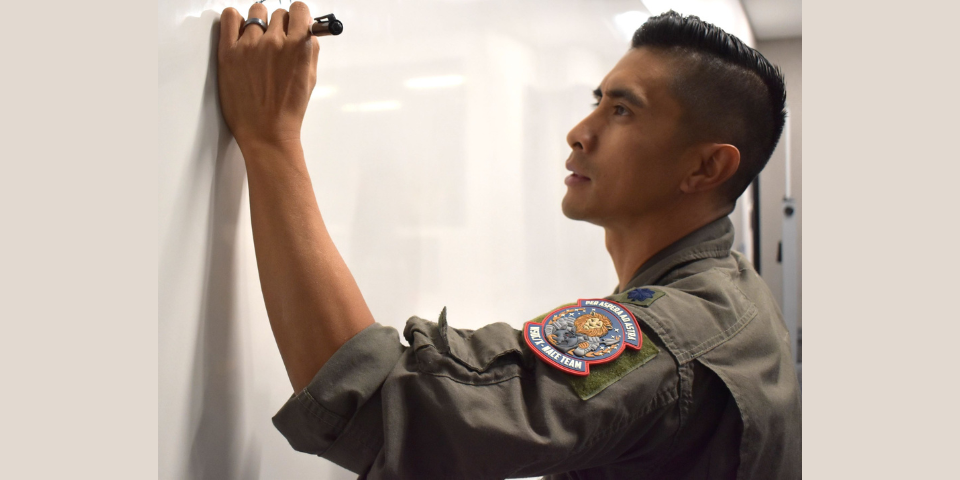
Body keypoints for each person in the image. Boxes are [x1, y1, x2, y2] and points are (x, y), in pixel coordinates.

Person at [217, 3, 800, 479]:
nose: (579, 132)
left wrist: (270, 138)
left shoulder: (672, 338)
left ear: (705, 169)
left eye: (622, 110)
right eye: (598, 100)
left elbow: (383, 409)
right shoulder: (735, 290)